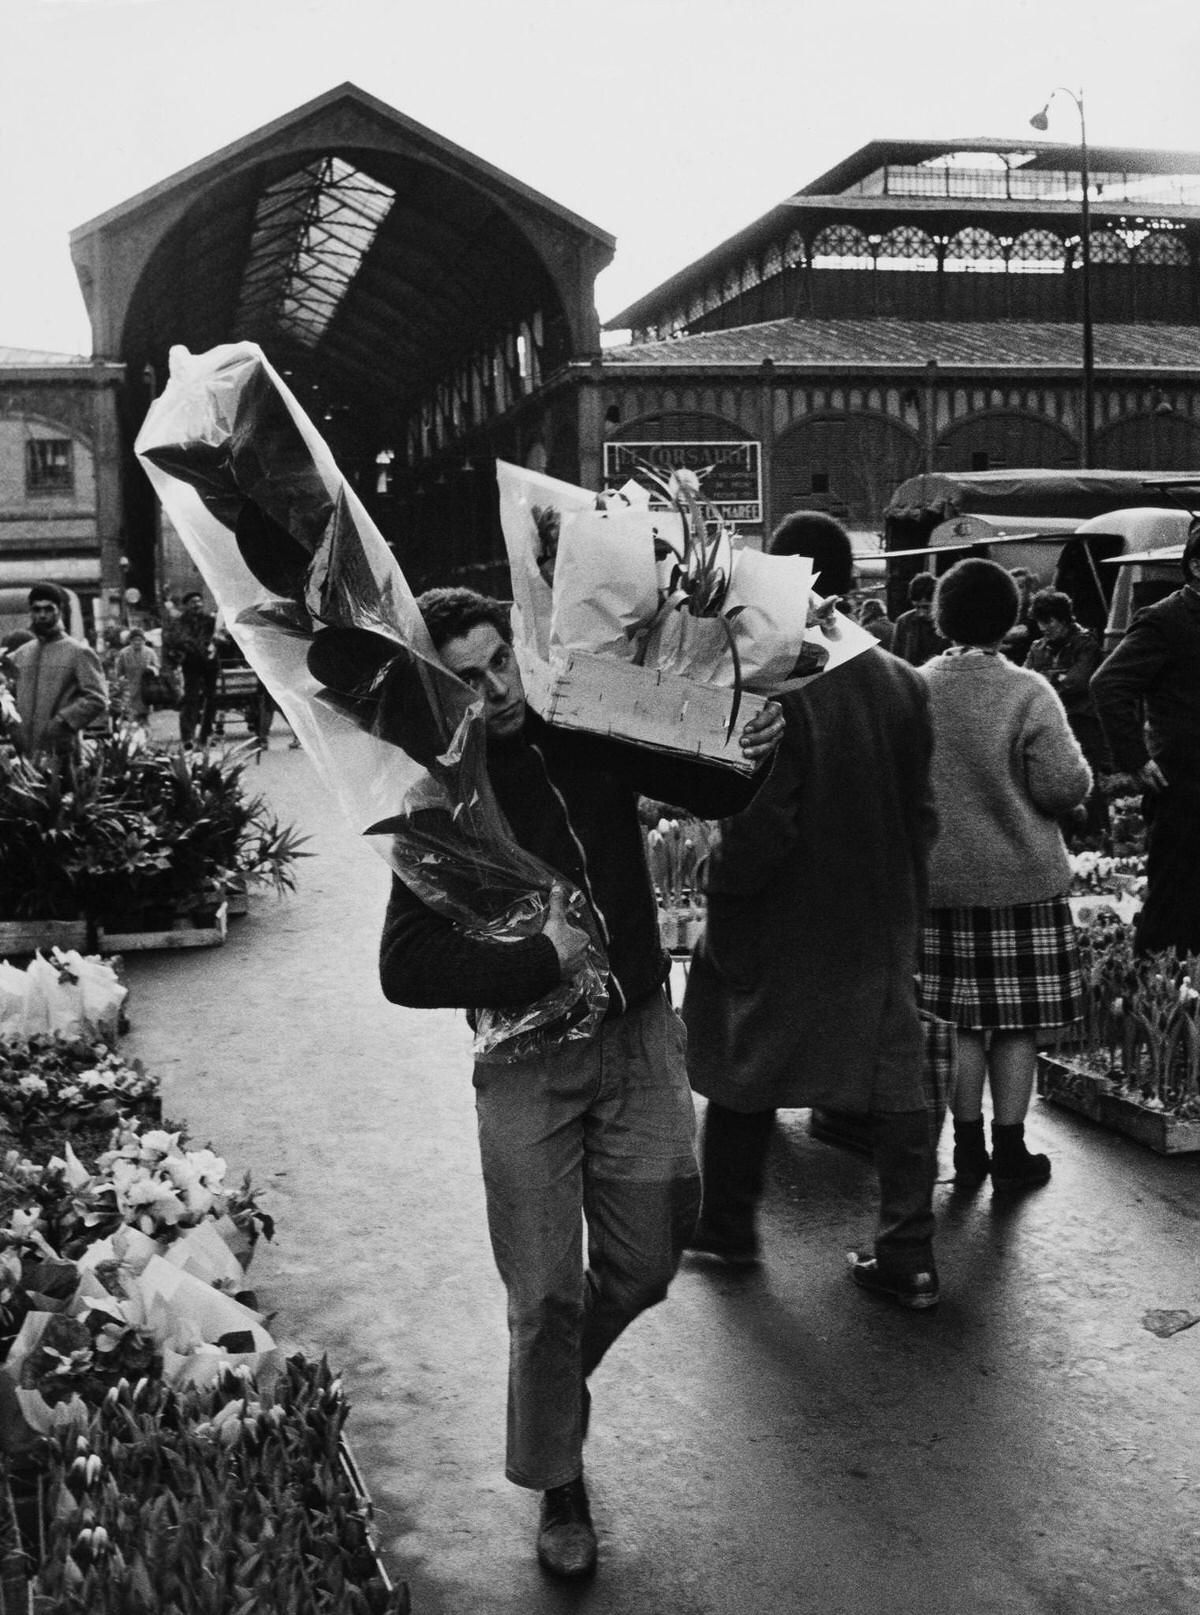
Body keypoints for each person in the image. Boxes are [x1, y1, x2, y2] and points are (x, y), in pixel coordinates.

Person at [377, 587, 784, 1581]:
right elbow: (405, 964)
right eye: (467, 679)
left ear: (518, 650)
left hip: (641, 1031)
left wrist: (753, 746)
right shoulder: (443, 792)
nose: (495, 689)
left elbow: (709, 787)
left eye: (498, 662)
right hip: (526, 1065)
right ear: (442, 688)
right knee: (545, 1291)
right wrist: (538, 960)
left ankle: (546, 1387)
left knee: (648, 1260)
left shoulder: (584, 721)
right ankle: (561, 1477)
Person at [682, 617, 943, 1309]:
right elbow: (923, 807)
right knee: (896, 1072)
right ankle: (908, 1252)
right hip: (883, 907)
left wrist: (720, 884)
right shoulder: (902, 678)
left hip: (790, 911)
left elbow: (760, 821)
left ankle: (727, 1228)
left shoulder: (783, 684)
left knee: (748, 1060)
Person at [918, 559, 1091, 1190]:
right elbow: (1062, 785)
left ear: (942, 616)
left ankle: (965, 1148)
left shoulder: (914, 686)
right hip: (1022, 883)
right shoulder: (1028, 692)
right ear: (1011, 618)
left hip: (937, 886)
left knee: (958, 1022)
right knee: (1015, 1023)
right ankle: (1011, 1150)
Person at [1090, 523, 1200, 956]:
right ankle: (1154, 988)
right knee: (1174, 901)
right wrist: (1135, 759)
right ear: (1196, 566)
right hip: (1186, 785)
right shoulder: (1165, 619)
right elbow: (1108, 685)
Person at [1026, 588, 1110, 839]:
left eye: (1050, 620)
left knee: (1089, 783)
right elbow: (1027, 680)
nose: (1044, 627)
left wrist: (1045, 679)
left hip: (1081, 721)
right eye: (1041, 621)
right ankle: (1066, 838)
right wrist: (1057, 676)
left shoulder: (1086, 642)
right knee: (1056, 778)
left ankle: (1096, 839)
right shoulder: (1037, 647)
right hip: (1051, 721)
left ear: (1064, 618)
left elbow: (1077, 682)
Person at [8, 583, 108, 758]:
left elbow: (97, 698)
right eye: (36, 610)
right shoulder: (21, 655)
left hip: (61, 754)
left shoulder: (78, 652)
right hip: (24, 754)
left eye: (48, 609)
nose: (42, 615)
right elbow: (9, 695)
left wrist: (63, 721)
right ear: (31, 613)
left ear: (59, 611)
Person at [167, 590, 219, 747]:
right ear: (187, 606)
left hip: (210, 664)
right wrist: (198, 647)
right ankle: (187, 737)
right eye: (193, 602)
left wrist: (215, 643)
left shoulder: (210, 621)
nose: (197, 604)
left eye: (199, 601)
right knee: (191, 700)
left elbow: (219, 637)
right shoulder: (181, 622)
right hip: (191, 664)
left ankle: (206, 735)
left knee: (211, 699)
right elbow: (179, 640)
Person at [892, 571, 948, 666]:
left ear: (937, 602)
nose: (921, 613)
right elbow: (896, 658)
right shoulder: (904, 622)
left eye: (926, 607)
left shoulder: (949, 623)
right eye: (917, 607)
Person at [113, 628, 160, 726]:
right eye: (134, 640)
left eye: (140, 640)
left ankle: (145, 735)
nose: (137, 642)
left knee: (143, 715)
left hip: (145, 689)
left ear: (144, 641)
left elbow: (157, 668)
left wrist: (151, 669)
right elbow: (118, 672)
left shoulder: (150, 652)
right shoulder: (123, 653)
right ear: (130, 641)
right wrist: (121, 685)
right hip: (129, 688)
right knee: (132, 716)